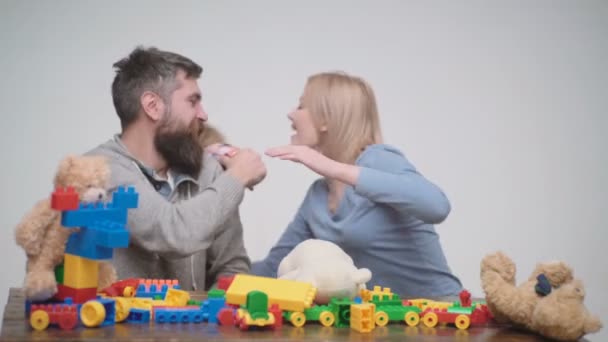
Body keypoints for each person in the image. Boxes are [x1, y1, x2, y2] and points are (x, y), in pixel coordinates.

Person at [251, 71, 462, 297]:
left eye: (301, 106)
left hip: (442, 316)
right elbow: (274, 268)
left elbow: (437, 206)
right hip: (389, 324)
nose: (290, 114)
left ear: (326, 119)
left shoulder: (379, 159)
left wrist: (331, 166)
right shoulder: (318, 196)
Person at [86, 46, 267, 291]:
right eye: (193, 101)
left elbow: (232, 266)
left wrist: (210, 318)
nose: (203, 115)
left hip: (194, 329)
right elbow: (171, 232)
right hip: (114, 328)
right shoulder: (97, 171)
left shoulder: (208, 171)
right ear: (153, 106)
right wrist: (237, 176)